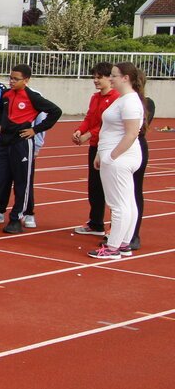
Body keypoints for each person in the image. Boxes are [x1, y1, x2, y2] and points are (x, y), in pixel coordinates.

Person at [0, 64, 62, 234]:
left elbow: (56, 111)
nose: (12, 81)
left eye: (16, 79)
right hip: (4, 143)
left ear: (26, 80)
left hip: (22, 143)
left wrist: (35, 130)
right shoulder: (6, 95)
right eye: (10, 78)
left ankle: (16, 218)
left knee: (22, 182)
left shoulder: (33, 97)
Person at [87, 62, 145, 260]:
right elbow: (109, 130)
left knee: (118, 204)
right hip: (117, 156)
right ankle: (124, 243)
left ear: (125, 78)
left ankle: (113, 247)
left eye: (113, 75)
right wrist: (100, 154)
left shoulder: (129, 102)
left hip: (120, 158)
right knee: (127, 202)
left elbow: (131, 134)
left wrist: (111, 157)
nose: (110, 78)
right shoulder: (124, 99)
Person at [71, 62, 118, 237]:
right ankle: (96, 223)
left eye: (99, 77)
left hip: (109, 146)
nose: (95, 80)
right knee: (95, 186)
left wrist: (89, 134)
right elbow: (90, 118)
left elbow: (108, 124)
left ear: (109, 78)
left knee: (111, 187)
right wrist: (80, 131)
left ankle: (115, 226)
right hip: (95, 147)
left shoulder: (116, 98)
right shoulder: (95, 97)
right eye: (94, 77)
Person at [128, 93, 156, 252]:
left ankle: (133, 235)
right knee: (120, 194)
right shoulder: (119, 101)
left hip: (135, 148)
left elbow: (139, 129)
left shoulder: (146, 103)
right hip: (118, 147)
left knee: (134, 191)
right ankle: (119, 230)